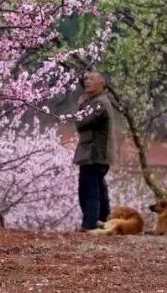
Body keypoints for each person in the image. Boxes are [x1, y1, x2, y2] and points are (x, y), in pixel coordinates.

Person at [74, 71, 115, 232]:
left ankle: (90, 223)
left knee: (89, 190)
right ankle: (103, 220)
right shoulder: (95, 101)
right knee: (97, 188)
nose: (87, 82)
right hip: (92, 154)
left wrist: (81, 105)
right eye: (86, 79)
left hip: (95, 154)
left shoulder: (99, 104)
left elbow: (81, 122)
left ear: (102, 83)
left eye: (92, 79)